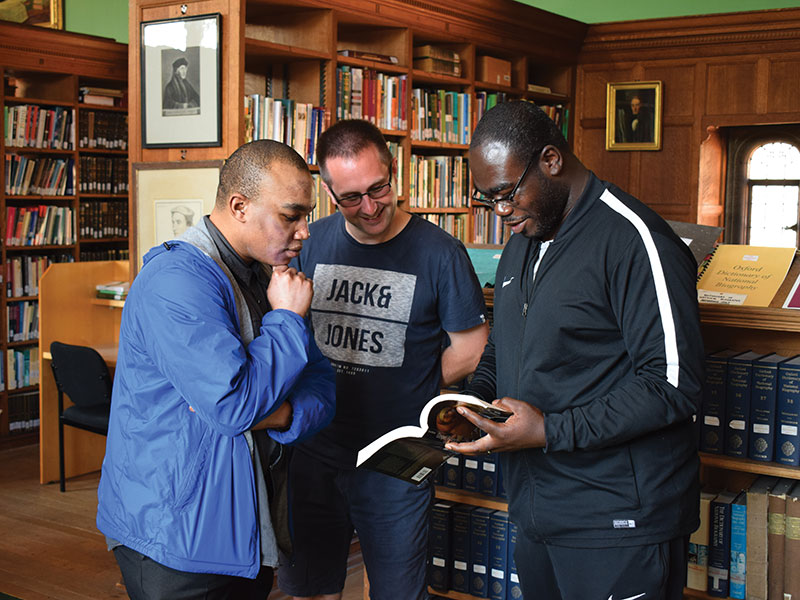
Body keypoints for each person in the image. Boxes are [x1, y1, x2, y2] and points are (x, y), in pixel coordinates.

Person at [446, 101, 704, 600]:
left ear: (550, 159)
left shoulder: (635, 240)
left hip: (618, 520)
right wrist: (473, 402)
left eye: (507, 194)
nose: (501, 214)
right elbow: (506, 342)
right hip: (539, 510)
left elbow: (673, 385)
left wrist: (548, 430)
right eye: (488, 201)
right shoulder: (526, 235)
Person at [96, 140, 336, 600]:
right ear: (239, 206)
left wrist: (280, 414)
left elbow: (323, 384)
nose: (305, 231)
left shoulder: (272, 276)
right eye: (291, 216)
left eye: (306, 214)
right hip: (176, 535)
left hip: (249, 523)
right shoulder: (175, 281)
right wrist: (286, 321)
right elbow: (234, 406)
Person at [277, 119, 489, 600]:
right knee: (309, 588)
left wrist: (413, 385)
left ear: (396, 174)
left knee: (397, 592)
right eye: (351, 198)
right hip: (313, 446)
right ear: (328, 193)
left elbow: (473, 347)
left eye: (379, 189)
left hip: (400, 453)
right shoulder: (310, 244)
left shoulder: (441, 252)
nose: (370, 207)